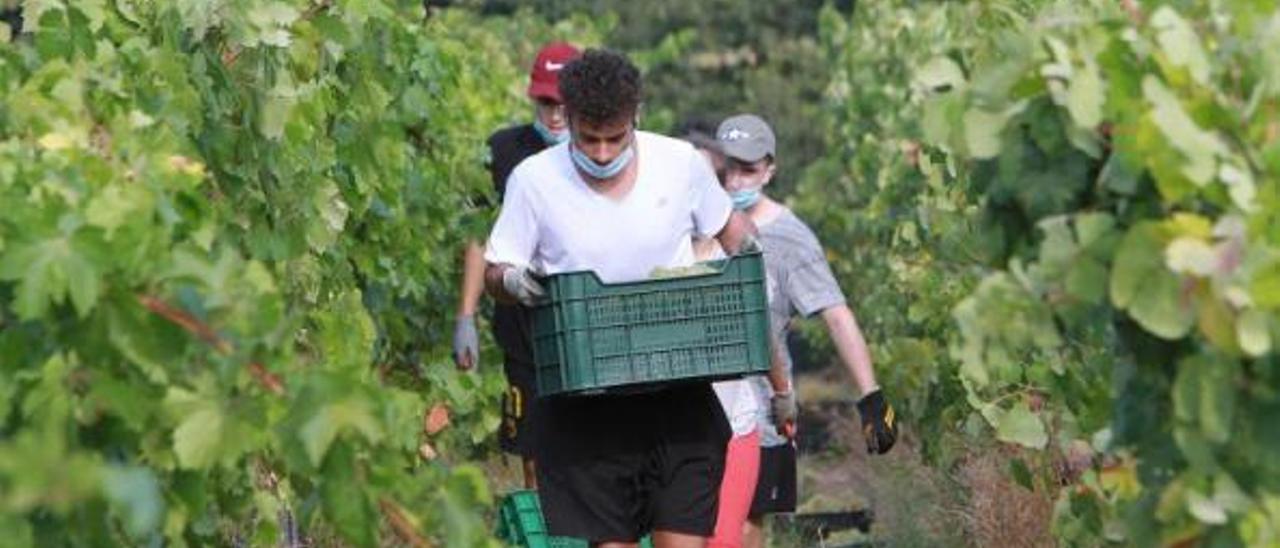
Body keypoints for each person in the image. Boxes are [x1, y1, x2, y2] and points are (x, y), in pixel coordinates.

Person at [483, 49, 760, 548]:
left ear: (637, 116)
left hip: (677, 393)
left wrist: (748, 258)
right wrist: (511, 282)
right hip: (587, 407)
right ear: (567, 118)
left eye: (617, 138)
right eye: (590, 139)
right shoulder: (535, 181)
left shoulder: (680, 165)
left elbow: (731, 229)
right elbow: (496, 267)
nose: (605, 153)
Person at [711, 114, 900, 548]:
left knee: (744, 527)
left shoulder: (791, 239)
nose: (736, 181)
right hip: (696, 404)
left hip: (763, 407)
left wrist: (870, 395)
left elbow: (835, 313)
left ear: (770, 170)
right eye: (728, 170)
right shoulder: (694, 221)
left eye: (749, 170)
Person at [451, 41, 580, 488]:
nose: (556, 114)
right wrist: (465, 316)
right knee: (533, 447)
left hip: (582, 320)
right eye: (546, 103)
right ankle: (545, 532)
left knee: (590, 446)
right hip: (522, 325)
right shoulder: (505, 150)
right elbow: (478, 235)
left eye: (564, 103)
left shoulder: (597, 153)